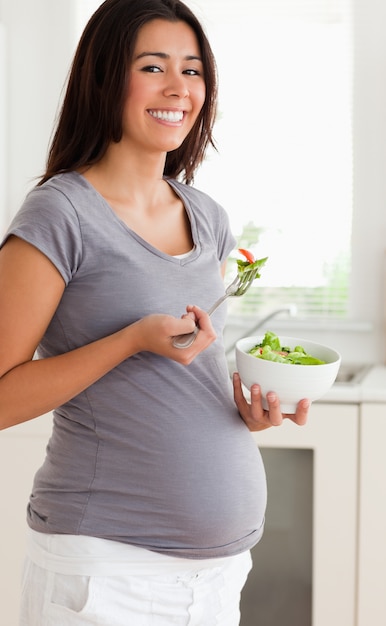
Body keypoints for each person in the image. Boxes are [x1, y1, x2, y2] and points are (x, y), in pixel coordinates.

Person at [0, 0, 310, 624]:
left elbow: (176, 375)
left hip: (218, 576)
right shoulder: (60, 215)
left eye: (193, 71)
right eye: (153, 66)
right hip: (107, 572)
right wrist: (130, 339)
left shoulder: (207, 216)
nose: (178, 88)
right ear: (104, 77)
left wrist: (241, 408)